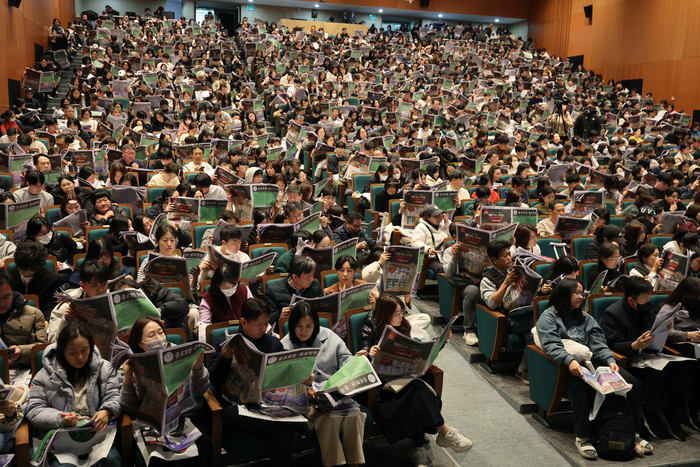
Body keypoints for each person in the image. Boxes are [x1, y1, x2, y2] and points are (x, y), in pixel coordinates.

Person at [537, 279, 649, 459]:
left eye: (583, 293)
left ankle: (633, 431)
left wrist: (610, 360)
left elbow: (598, 342)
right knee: (582, 385)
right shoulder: (548, 317)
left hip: (593, 361)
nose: (582, 297)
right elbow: (551, 344)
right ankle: (582, 437)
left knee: (630, 382)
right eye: (577, 293)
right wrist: (569, 360)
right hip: (566, 366)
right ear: (565, 294)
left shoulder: (585, 317)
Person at [357, 294, 472, 466]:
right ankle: (443, 433)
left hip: (405, 380)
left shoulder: (403, 326)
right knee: (418, 391)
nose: (401, 316)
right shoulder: (368, 330)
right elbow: (361, 360)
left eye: (401, 312)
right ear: (385, 314)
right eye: (396, 313)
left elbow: (416, 353)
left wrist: (441, 343)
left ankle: (421, 447)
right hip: (383, 386)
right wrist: (369, 355)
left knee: (416, 390)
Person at [208, 298, 299, 467]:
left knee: (282, 429)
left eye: (266, 323)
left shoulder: (272, 342)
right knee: (283, 426)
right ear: (243, 322)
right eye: (259, 324)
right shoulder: (225, 342)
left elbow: (283, 374)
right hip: (235, 406)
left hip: (266, 403)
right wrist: (225, 358)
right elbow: (213, 379)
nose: (264, 328)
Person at [600, 277, 690, 441]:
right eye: (645, 298)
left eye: (650, 297)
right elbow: (612, 344)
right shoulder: (612, 314)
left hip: (649, 353)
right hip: (629, 358)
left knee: (680, 366)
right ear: (631, 300)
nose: (649, 302)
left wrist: (665, 328)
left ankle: (674, 411)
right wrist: (634, 345)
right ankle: (651, 412)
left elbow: (653, 330)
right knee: (659, 370)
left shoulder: (646, 309)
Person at [281, 302, 366, 467]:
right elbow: (283, 385)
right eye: (299, 326)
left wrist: (357, 361)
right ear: (292, 325)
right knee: (329, 419)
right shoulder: (285, 346)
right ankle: (335, 464)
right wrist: (303, 390)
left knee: (354, 415)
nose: (304, 330)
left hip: (335, 395)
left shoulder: (329, 336)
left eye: (309, 326)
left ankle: (356, 463)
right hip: (307, 402)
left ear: (316, 325)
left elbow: (346, 362)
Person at [25, 325, 123, 467]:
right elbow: (34, 408)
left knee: (110, 461)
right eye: (72, 352)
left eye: (85, 350)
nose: (80, 357)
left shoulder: (105, 369)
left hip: (97, 436)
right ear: (62, 352)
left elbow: (114, 395)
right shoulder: (45, 375)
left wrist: (107, 411)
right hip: (62, 438)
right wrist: (60, 418)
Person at [120, 316, 212, 464]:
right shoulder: (132, 363)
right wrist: (128, 379)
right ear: (140, 343)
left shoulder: (180, 353)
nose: (159, 338)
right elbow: (129, 408)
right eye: (152, 335)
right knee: (159, 459)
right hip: (151, 425)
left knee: (202, 449)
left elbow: (200, 390)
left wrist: (198, 368)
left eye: (161, 332)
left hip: (185, 417)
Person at [479, 240, 533, 384]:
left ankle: (524, 368)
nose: (509, 258)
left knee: (535, 333)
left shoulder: (519, 272)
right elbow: (490, 303)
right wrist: (506, 283)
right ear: (494, 260)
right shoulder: (487, 278)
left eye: (510, 254)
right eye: (504, 256)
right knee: (539, 326)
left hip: (527, 313)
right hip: (508, 320)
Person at [0, 268, 47, 367]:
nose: (2, 303)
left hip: (21, 369)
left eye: (7, 296)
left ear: (13, 292)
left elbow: (42, 349)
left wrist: (22, 351)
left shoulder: (34, 314)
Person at [265, 255, 323, 327]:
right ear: (295, 277)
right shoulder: (273, 291)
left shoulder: (315, 285)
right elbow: (267, 320)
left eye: (312, 275)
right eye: (308, 276)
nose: (311, 279)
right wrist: (280, 316)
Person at [9, 241, 61, 321]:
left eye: (30, 271)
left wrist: (46, 321)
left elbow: (50, 306)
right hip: (13, 320)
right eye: (22, 269)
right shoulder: (8, 277)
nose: (26, 274)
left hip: (40, 318)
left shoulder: (51, 279)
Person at [67, 237, 131, 290]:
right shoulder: (79, 275)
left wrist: (130, 281)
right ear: (92, 257)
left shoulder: (120, 270)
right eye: (100, 257)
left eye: (108, 256)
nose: (105, 261)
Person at [411, 204, 450, 276]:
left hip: (446, 255)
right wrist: (427, 249)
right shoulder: (421, 227)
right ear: (428, 218)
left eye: (439, 215)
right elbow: (415, 243)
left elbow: (453, 238)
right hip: (431, 258)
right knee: (444, 269)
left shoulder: (444, 224)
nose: (439, 218)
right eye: (435, 216)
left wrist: (448, 223)